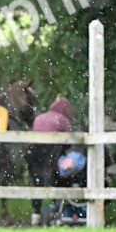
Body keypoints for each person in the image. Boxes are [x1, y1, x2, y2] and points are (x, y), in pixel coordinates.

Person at [26, 96, 73, 225]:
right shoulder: (63, 120)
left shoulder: (39, 118)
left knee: (37, 181)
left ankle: (35, 214)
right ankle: (56, 209)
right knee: (58, 180)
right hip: (52, 155)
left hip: (34, 153)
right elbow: (69, 142)